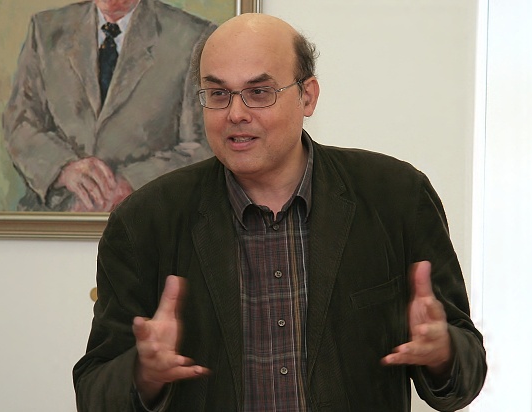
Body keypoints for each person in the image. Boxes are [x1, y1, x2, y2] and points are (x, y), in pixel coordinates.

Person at [73, 13, 487, 411]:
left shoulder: (396, 197)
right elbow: (94, 390)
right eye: (218, 94)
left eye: (258, 92)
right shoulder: (144, 222)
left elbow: (465, 372)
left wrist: (444, 352)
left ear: (308, 96)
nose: (236, 114)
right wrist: (142, 374)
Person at [3, 0, 215, 212]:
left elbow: (204, 145)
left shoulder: (192, 37)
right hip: (50, 218)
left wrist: (132, 183)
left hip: (147, 215)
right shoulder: (45, 29)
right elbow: (19, 123)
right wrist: (63, 168)